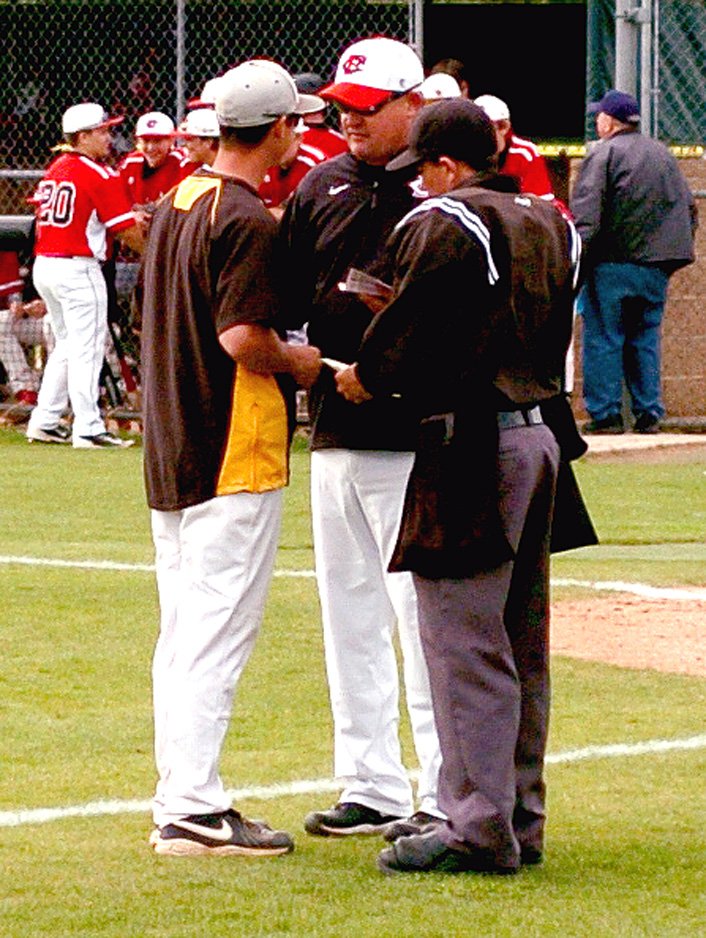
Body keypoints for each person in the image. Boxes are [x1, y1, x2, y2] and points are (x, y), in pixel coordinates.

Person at [335, 98, 581, 874]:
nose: (417, 185)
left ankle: (477, 825)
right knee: (519, 640)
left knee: (464, 643)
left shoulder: (447, 221)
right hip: (539, 435)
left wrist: (364, 375)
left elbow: (404, 336)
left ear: (445, 164)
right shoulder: (554, 222)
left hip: (470, 443)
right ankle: (518, 817)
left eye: (424, 170)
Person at [139, 59, 322, 857]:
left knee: (184, 632)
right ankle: (193, 806)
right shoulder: (247, 216)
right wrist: (312, 366)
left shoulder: (180, 197)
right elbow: (244, 338)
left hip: (175, 441)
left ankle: (180, 795)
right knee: (215, 633)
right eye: (295, 122)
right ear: (278, 128)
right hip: (230, 449)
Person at [281, 36, 445, 840]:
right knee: (347, 614)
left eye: (366, 108)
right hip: (335, 423)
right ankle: (371, 781)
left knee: (419, 616)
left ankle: (443, 791)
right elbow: (288, 290)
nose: (349, 121)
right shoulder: (323, 181)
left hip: (413, 430)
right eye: (342, 108)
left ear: (412, 104)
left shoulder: (442, 186)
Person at [570, 90, 697, 434]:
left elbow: (588, 215)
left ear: (610, 121)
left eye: (600, 115)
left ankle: (606, 415)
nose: (597, 120)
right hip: (657, 266)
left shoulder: (604, 154)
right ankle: (649, 413)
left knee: (604, 337)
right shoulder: (663, 155)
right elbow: (689, 208)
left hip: (612, 264)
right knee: (645, 338)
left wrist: (575, 259)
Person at [26, 102, 144, 448]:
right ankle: (89, 427)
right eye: (103, 131)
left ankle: (45, 420)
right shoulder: (97, 172)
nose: (110, 136)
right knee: (87, 348)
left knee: (67, 345)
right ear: (83, 136)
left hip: (46, 265)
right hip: (77, 266)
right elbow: (124, 230)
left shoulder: (57, 167)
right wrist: (156, 256)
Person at [474, 94, 555, 202]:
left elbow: (541, 204)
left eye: (483, 129)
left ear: (503, 127)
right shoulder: (462, 155)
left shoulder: (526, 153)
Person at [0, 251, 53, 406]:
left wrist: (48, 305)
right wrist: (19, 307)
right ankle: (26, 389)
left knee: (52, 324)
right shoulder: (7, 249)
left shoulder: (58, 255)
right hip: (27, 322)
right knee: (1, 322)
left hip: (56, 321)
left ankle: (57, 391)